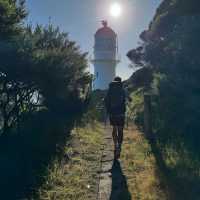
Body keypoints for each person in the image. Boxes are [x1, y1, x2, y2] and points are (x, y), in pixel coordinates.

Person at [104, 76, 126, 159]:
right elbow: (129, 99)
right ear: (120, 82)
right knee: (120, 130)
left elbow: (106, 100)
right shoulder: (122, 90)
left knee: (114, 129)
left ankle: (115, 145)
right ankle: (119, 146)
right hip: (121, 113)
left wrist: (108, 111)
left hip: (112, 113)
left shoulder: (110, 90)